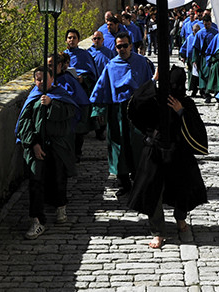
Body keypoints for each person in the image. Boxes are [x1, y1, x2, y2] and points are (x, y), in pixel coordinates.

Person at [127, 66, 208, 249]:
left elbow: (196, 128)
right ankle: (158, 232)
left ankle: (180, 219)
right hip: (154, 150)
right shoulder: (154, 99)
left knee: (183, 188)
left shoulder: (186, 103)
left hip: (179, 152)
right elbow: (135, 104)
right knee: (152, 190)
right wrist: (154, 80)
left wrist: (181, 112)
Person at [15, 66, 80, 239]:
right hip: (37, 147)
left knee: (58, 178)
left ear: (52, 79)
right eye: (37, 79)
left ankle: (60, 205)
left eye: (43, 78)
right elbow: (24, 124)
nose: (40, 82)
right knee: (35, 182)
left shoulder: (61, 95)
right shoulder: (33, 98)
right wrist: (34, 144)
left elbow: (70, 113)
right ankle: (37, 220)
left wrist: (52, 104)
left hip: (57, 146)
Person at [89, 31, 155, 195]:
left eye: (125, 45)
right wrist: (99, 110)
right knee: (119, 146)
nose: (122, 49)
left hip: (137, 110)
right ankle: (124, 182)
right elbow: (101, 88)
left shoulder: (141, 63)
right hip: (117, 112)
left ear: (131, 45)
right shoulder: (111, 66)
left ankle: (139, 180)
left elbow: (149, 86)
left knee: (138, 144)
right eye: (119, 46)